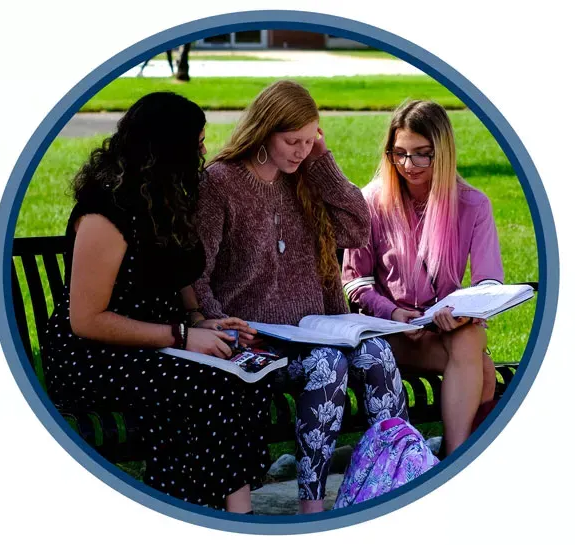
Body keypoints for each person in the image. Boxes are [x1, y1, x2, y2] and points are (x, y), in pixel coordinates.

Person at [41, 91, 272, 513]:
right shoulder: (103, 213)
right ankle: (207, 512)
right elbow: (87, 321)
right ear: (168, 147)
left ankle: (232, 513)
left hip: (159, 339)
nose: (204, 151)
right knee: (203, 387)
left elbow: (177, 270)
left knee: (246, 374)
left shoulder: (165, 197)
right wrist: (182, 338)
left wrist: (200, 321)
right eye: (197, 141)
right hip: (94, 355)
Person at [193, 80, 408, 514]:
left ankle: (396, 481)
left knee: (379, 354)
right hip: (255, 340)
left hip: (318, 329)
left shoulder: (305, 177)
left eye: (309, 141)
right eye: (292, 141)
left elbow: (356, 229)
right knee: (327, 366)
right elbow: (198, 270)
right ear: (264, 131)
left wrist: (321, 163)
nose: (299, 150)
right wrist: (219, 324)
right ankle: (313, 506)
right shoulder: (219, 184)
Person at [342, 100, 503, 456]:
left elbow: (489, 283)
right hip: (387, 333)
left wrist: (461, 311)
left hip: (442, 328)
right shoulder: (372, 202)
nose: (407, 165)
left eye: (421, 154)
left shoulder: (473, 205)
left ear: (442, 152)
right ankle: (454, 460)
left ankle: (451, 454)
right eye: (399, 154)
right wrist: (392, 312)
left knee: (471, 337)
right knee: (484, 370)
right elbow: (354, 280)